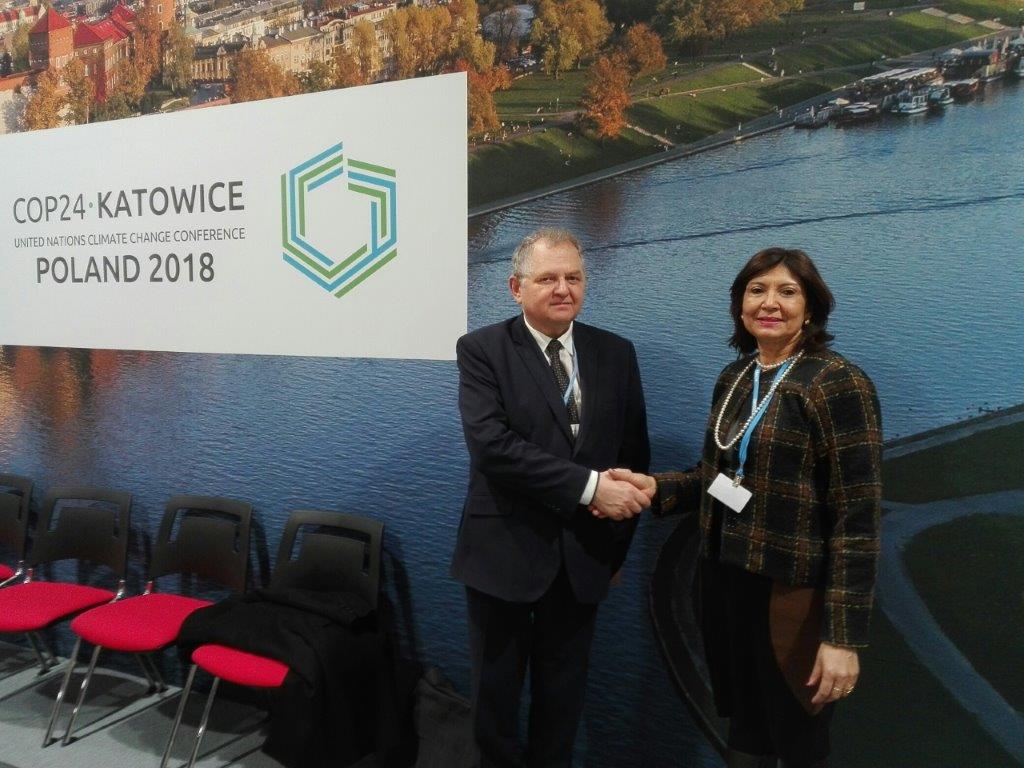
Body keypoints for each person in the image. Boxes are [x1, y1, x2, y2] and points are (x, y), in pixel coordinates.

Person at [607, 247, 882, 768]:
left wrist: (842, 638)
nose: (769, 303)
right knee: (746, 734)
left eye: (787, 292)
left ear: (812, 308)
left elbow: (858, 521)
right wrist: (654, 488)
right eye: (757, 290)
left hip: (791, 598)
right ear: (740, 304)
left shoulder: (836, 383)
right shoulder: (736, 376)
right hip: (726, 587)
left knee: (798, 744)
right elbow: (718, 478)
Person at [451, 228, 651, 767]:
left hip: (582, 558)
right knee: (494, 705)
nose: (564, 289)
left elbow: (633, 455)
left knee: (562, 706)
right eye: (547, 278)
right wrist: (590, 488)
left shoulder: (615, 353)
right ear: (516, 288)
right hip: (503, 554)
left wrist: (614, 552)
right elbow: (492, 448)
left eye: (574, 277)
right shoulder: (482, 350)